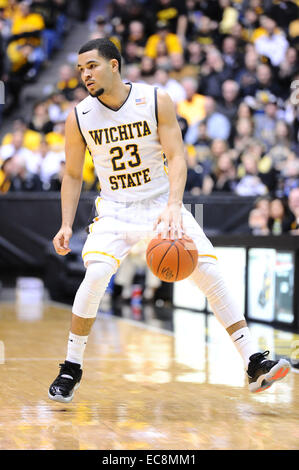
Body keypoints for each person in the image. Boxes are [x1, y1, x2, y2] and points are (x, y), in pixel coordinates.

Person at [48, 38, 290, 403]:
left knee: (210, 272)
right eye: (81, 69)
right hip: (115, 208)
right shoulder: (79, 115)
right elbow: (71, 174)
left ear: (114, 65)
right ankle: (71, 366)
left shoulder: (155, 99)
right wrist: (66, 223)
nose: (85, 75)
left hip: (162, 201)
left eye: (92, 66)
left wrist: (175, 205)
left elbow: (177, 157)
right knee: (96, 274)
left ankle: (254, 361)